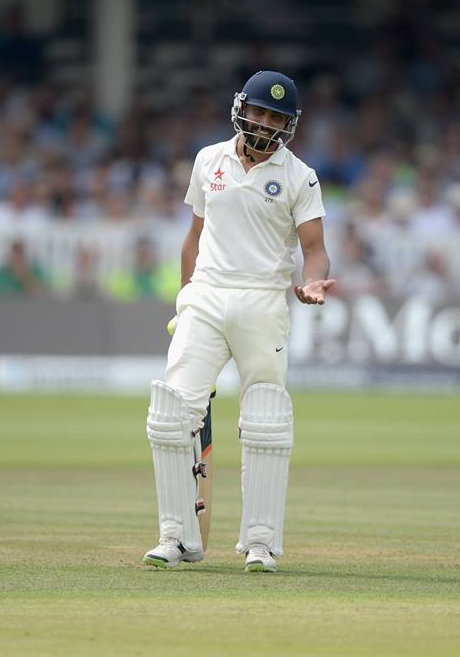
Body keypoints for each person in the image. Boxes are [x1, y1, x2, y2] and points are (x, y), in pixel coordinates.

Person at [143, 70, 335, 573]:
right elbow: (193, 236)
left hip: (263, 299)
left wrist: (313, 283)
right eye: (259, 111)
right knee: (170, 414)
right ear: (241, 109)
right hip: (205, 296)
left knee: (265, 420)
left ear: (289, 124)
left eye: (276, 117)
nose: (265, 123)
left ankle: (261, 542)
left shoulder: (300, 176)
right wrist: (186, 297)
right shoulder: (209, 159)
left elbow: (315, 251)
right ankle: (175, 537)